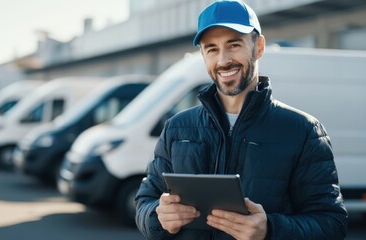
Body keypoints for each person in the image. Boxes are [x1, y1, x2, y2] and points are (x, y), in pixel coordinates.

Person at [134, 0, 348, 239]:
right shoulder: (177, 128)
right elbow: (145, 201)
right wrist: (158, 216)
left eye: (233, 44)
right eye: (212, 49)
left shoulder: (303, 131)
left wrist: (269, 230)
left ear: (259, 47)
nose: (223, 60)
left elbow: (332, 224)